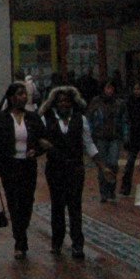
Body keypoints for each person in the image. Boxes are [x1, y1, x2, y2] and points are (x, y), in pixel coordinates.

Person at [0, 81, 46, 261]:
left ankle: (22, 229)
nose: (23, 97)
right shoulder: (2, 119)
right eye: (20, 94)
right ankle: (20, 242)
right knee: (14, 203)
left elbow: (43, 139)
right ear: (12, 97)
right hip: (9, 166)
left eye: (25, 94)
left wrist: (36, 151)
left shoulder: (33, 118)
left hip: (27, 165)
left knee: (27, 202)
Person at [43, 85, 95, 261]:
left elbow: (89, 144)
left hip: (75, 168)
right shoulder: (48, 119)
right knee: (57, 205)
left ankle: (77, 244)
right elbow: (38, 137)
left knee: (75, 206)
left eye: (67, 100)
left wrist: (101, 166)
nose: (64, 104)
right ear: (55, 103)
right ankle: (57, 241)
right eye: (60, 101)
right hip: (55, 168)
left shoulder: (80, 120)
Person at [89, 79, 127, 203]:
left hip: (114, 137)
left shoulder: (119, 103)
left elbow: (124, 120)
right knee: (102, 164)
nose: (109, 90)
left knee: (113, 163)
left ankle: (111, 188)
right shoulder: (96, 102)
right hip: (100, 137)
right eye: (107, 88)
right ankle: (104, 192)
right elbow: (90, 118)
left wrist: (125, 135)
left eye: (111, 88)